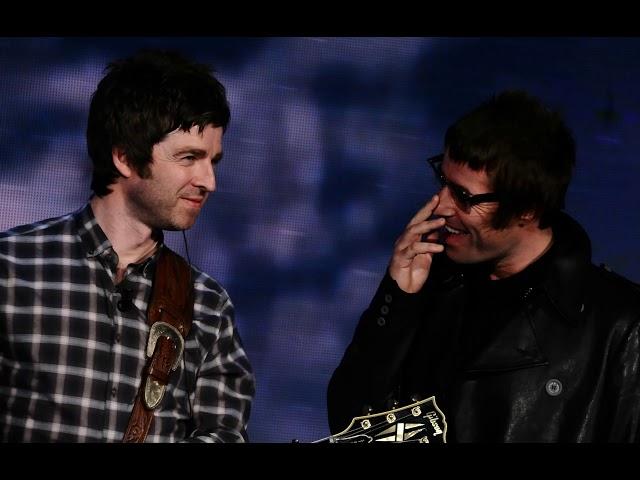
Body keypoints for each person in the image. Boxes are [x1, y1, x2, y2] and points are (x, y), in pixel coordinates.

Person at [327, 90, 640, 442]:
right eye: (442, 182)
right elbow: (349, 427)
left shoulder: (621, 328)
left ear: (527, 208)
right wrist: (397, 300)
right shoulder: (430, 286)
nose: (441, 205)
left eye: (463, 196)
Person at [0, 49, 255, 442]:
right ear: (125, 157)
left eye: (213, 161)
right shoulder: (12, 268)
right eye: (189, 157)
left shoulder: (208, 307)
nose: (209, 181)